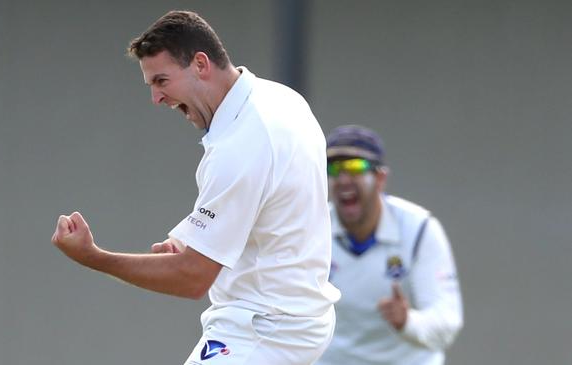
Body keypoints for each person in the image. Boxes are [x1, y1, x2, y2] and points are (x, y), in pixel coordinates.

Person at [51, 10, 340, 365]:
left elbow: (192, 279)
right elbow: (268, 208)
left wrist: (94, 257)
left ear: (200, 64)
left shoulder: (242, 142)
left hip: (264, 328)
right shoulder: (279, 100)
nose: (156, 98)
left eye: (162, 80)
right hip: (291, 319)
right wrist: (195, 243)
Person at [316, 125, 463, 365]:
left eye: (355, 167)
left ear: (381, 178)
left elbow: (447, 320)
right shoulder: (315, 229)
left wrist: (408, 322)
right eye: (334, 169)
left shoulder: (419, 229)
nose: (343, 179)